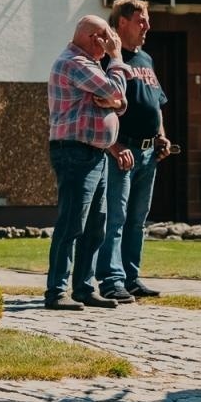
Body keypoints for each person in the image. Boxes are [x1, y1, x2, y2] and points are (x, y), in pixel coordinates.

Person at [46, 16, 135, 310]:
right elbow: (116, 92)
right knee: (72, 222)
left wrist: (115, 101)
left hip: (96, 152)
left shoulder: (92, 65)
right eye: (107, 36)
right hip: (75, 152)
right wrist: (117, 57)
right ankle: (56, 291)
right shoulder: (74, 63)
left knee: (96, 225)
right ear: (93, 38)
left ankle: (84, 288)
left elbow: (119, 102)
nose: (112, 41)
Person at [95, 0, 169, 302]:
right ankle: (111, 280)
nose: (147, 26)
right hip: (121, 151)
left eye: (147, 21)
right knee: (116, 217)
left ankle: (131, 277)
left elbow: (156, 103)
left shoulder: (146, 59)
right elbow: (97, 105)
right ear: (122, 22)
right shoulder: (107, 59)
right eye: (141, 21)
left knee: (137, 219)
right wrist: (114, 145)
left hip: (149, 153)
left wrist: (162, 136)